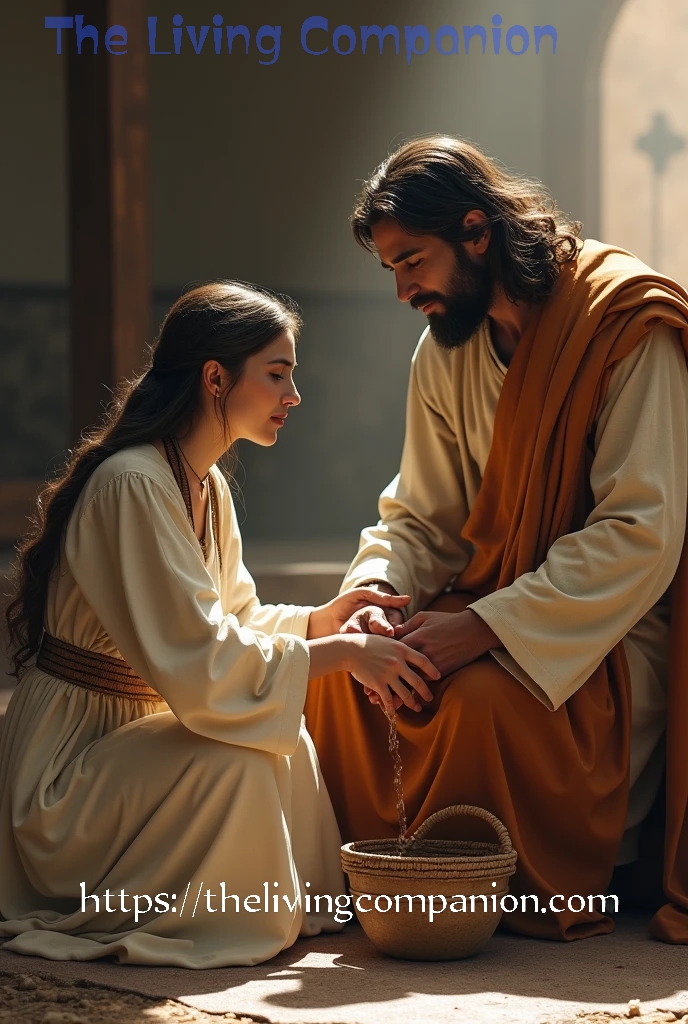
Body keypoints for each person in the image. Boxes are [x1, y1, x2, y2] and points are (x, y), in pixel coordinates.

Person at [304, 135, 688, 943]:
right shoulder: (446, 347)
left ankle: (500, 889)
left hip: (598, 633)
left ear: (478, 233)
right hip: (488, 601)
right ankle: (382, 881)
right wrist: (375, 596)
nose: (405, 290)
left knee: (476, 699)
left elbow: (640, 534)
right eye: (392, 272)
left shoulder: (625, 326)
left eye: (414, 262)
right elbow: (421, 515)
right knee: (346, 676)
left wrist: (479, 630)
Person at [0, 281, 438, 968]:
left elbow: (233, 618)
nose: (293, 397)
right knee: (238, 756)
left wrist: (322, 622)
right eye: (277, 375)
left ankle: (278, 909)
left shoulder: (202, 486)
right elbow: (202, 658)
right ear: (215, 378)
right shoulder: (134, 484)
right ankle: (216, 916)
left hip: (131, 732)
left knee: (280, 732)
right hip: (68, 768)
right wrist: (346, 652)